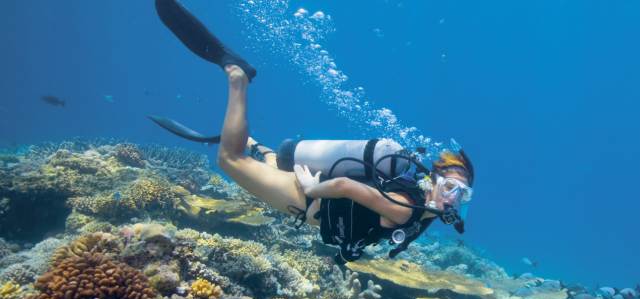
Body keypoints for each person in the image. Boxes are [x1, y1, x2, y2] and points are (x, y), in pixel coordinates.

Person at [152, 0, 474, 262]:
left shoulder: (426, 209)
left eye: (461, 194)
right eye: (449, 187)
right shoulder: (406, 209)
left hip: (317, 196)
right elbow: (348, 186)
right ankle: (237, 78)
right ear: (432, 181)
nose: (454, 198)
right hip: (307, 199)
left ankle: (254, 143)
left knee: (269, 161)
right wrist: (311, 188)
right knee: (228, 160)